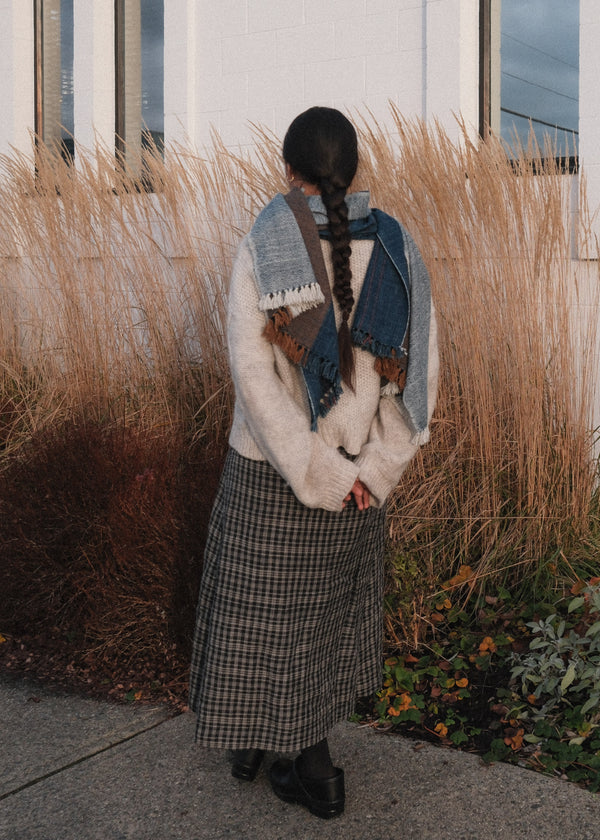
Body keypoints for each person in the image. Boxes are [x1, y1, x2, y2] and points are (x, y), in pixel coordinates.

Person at [189, 106, 439, 820]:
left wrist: (313, 470)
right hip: (356, 479)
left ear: (287, 169)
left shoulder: (264, 242)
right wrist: (371, 472)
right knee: (320, 627)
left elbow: (253, 376)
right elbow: (417, 380)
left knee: (258, 621)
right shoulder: (397, 247)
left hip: (273, 472)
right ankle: (266, 747)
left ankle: (309, 768)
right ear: (354, 172)